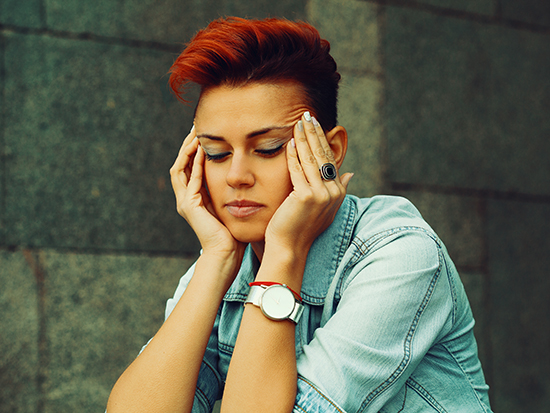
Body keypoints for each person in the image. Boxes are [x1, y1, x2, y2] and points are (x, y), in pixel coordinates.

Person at [106, 17, 492, 413]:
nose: (236, 176)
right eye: (217, 153)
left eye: (269, 148)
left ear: (332, 152)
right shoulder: (225, 264)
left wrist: (285, 250)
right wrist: (217, 258)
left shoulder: (401, 254)